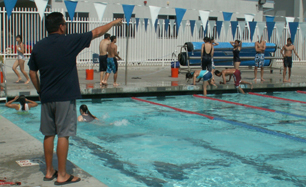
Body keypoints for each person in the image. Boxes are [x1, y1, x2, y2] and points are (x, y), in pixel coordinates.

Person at [28, 12, 122, 185]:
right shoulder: (69, 41)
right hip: (64, 96)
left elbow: (32, 72)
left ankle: (49, 172)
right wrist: (114, 22)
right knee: (64, 135)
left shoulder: (38, 46)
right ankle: (62, 175)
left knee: (49, 134)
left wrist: (40, 91)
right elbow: (97, 32)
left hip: (47, 96)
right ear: (61, 26)